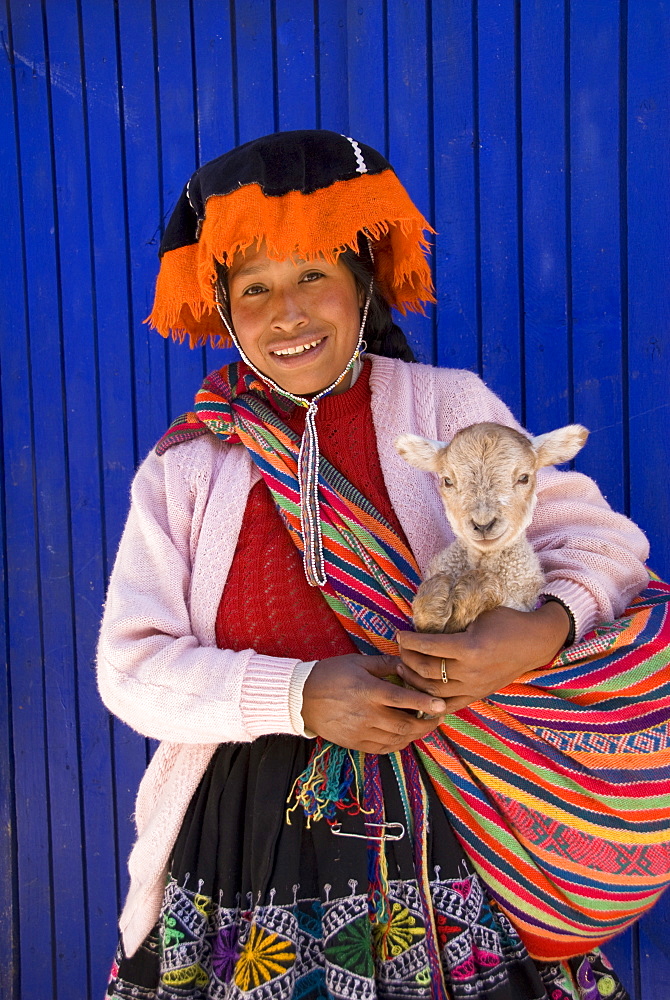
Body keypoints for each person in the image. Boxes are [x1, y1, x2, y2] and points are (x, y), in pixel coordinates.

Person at [99, 130, 659, 1000]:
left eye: (313, 276)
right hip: (246, 846)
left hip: (458, 817)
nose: (287, 312)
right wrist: (300, 695)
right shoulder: (189, 467)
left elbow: (606, 547)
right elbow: (130, 668)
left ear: (362, 285)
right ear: (226, 313)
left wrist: (540, 630)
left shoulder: (450, 408)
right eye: (256, 290)